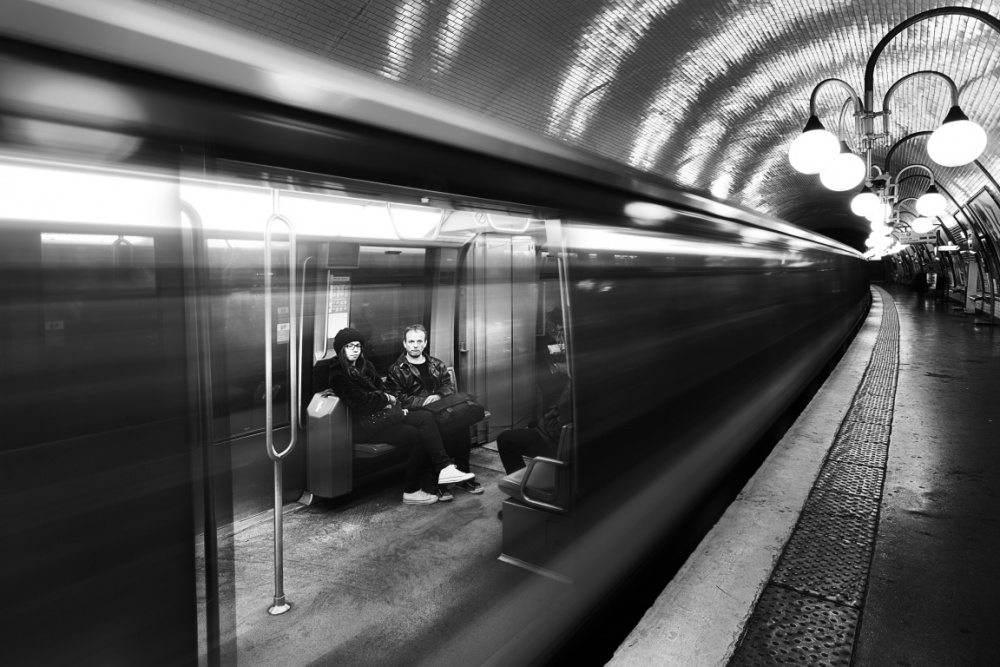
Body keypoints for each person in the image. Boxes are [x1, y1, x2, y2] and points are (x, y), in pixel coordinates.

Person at [327, 327, 474, 505]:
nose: (355, 350)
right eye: (350, 346)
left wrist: (386, 399)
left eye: (358, 346)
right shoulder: (337, 373)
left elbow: (384, 391)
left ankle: (445, 467)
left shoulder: (365, 366)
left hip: (384, 416)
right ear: (341, 349)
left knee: (425, 419)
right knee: (421, 434)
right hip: (365, 426)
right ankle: (411, 490)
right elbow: (361, 403)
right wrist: (385, 399)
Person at [386, 324, 483, 497]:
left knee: (461, 425)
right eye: (411, 342)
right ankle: (439, 483)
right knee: (438, 426)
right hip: (416, 412)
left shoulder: (436, 364)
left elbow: (448, 385)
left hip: (440, 407)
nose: (415, 345)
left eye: (419, 341)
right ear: (404, 344)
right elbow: (398, 398)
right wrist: (424, 401)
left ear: (425, 343)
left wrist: (438, 395)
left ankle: (462, 476)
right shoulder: (396, 370)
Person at [497, 381, 572, 475]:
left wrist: (545, 422)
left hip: (558, 445)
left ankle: (519, 479)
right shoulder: (579, 385)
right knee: (533, 423)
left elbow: (558, 430)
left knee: (504, 439)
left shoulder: (572, 393)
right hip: (562, 437)